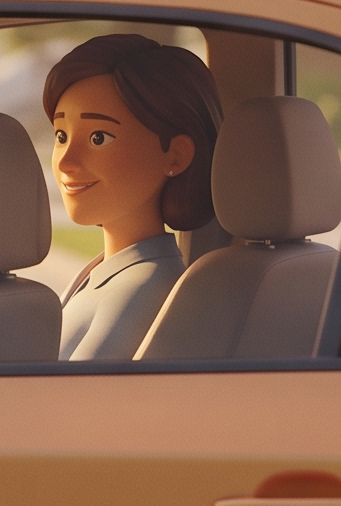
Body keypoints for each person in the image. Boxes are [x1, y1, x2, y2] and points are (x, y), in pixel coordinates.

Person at [44, 34, 223, 361]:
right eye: (61, 136)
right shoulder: (108, 273)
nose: (66, 162)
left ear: (175, 156)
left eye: (98, 137)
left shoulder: (144, 287)